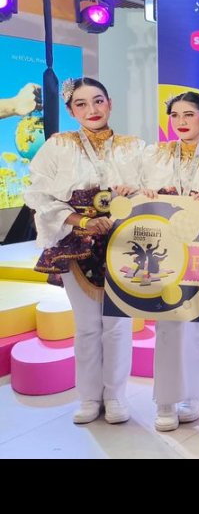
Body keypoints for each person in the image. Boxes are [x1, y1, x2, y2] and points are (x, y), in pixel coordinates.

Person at [26, 77, 145, 424]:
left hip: (123, 242)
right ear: (70, 110)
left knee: (118, 324)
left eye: (98, 101)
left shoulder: (135, 147)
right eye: (81, 104)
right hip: (76, 241)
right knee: (88, 325)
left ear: (110, 103)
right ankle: (89, 397)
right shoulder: (57, 146)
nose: (91, 110)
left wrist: (132, 194)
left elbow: (152, 190)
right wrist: (81, 221)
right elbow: (38, 195)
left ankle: (116, 396)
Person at [139, 91, 199, 432]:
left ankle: (192, 395)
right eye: (174, 115)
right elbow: (139, 190)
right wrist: (145, 192)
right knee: (168, 324)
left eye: (188, 114)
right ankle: (165, 399)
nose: (180, 122)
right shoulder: (157, 155)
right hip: (165, 249)